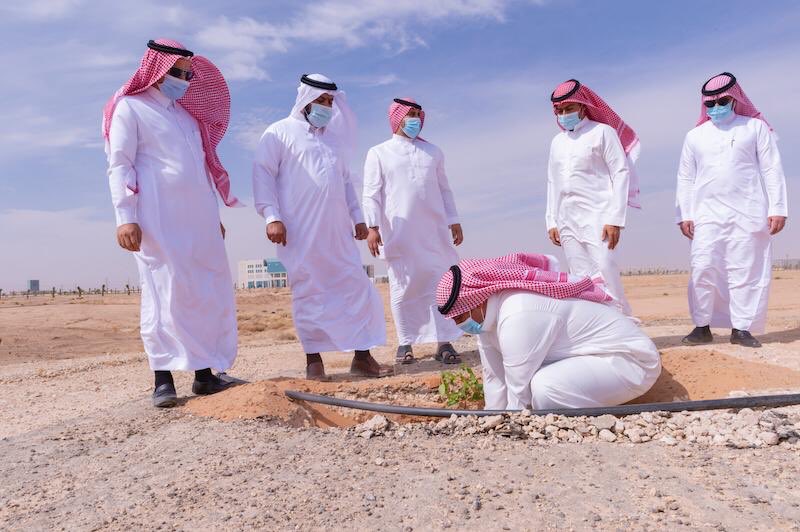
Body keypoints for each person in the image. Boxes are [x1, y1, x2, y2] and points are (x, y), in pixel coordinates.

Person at [103, 39, 240, 407]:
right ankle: (162, 378)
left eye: (187, 73)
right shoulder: (131, 108)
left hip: (200, 219)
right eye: (177, 72)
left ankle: (205, 375)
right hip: (157, 216)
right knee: (164, 289)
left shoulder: (188, 117)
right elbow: (120, 164)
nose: (183, 79)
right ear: (157, 69)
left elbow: (200, 170)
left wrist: (214, 217)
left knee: (206, 290)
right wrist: (125, 217)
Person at [252, 74, 390, 380]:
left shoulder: (333, 140)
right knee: (310, 291)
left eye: (330, 101)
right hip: (299, 232)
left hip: (337, 232)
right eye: (321, 101)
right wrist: (272, 216)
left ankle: (363, 357)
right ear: (305, 100)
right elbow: (263, 175)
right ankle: (314, 361)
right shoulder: (280, 132)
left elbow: (346, 183)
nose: (327, 107)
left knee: (357, 288)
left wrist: (358, 218)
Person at [436, 253, 661, 410]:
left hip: (629, 362)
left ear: (477, 301)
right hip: (589, 362)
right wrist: (489, 419)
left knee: (545, 388)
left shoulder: (518, 311)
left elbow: (518, 387)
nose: (459, 324)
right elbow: (495, 377)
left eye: (460, 316)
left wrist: (507, 430)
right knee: (538, 388)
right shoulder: (488, 322)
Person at [676, 72, 788, 348]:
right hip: (706, 214)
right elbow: (685, 177)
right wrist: (684, 214)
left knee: (744, 270)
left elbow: (771, 168)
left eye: (722, 101)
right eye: (710, 104)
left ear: (735, 99)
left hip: (747, 211)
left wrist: (778, 208)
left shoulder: (755, 128)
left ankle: (741, 329)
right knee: (702, 268)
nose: (716, 108)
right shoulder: (694, 136)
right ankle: (702, 326)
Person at [362, 97, 464, 365]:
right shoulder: (379, 152)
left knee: (441, 285)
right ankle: (405, 343)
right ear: (396, 118)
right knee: (402, 286)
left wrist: (453, 219)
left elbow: (444, 189)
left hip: (435, 231)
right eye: (410, 114)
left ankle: (444, 342)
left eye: (419, 114)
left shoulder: (433, 152)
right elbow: (371, 193)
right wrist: (372, 227)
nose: (416, 119)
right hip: (400, 232)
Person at [546, 79, 641, 317]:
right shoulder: (557, 142)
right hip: (566, 218)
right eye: (560, 111)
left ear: (583, 107)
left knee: (605, 269)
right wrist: (551, 221)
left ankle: (625, 324)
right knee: (581, 277)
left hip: (599, 214)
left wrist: (615, 219)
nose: (564, 114)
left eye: (569, 109)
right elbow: (552, 181)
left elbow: (620, 173)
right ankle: (598, 329)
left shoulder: (602, 132)